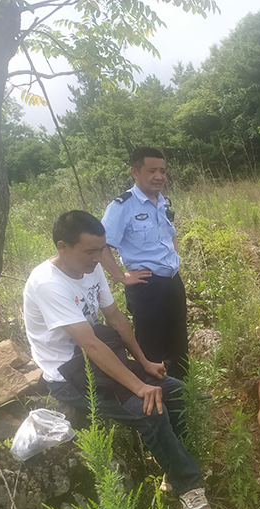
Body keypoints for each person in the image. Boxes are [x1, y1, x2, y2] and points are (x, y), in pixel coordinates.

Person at [23, 211, 211, 509]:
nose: (99, 258)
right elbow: (90, 345)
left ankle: (171, 468)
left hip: (101, 359)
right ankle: (189, 488)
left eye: (102, 249)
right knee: (149, 408)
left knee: (180, 394)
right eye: (90, 251)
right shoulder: (47, 283)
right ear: (62, 246)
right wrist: (138, 385)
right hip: (67, 373)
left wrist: (144, 363)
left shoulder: (91, 269)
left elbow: (115, 318)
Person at [100, 146, 189, 380]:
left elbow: (170, 234)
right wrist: (121, 276)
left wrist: (175, 261)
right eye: (151, 171)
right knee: (150, 347)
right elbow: (102, 245)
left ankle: (180, 393)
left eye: (162, 171)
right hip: (147, 285)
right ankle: (154, 395)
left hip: (172, 281)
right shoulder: (122, 206)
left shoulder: (162, 202)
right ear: (135, 172)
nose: (158, 176)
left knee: (178, 341)